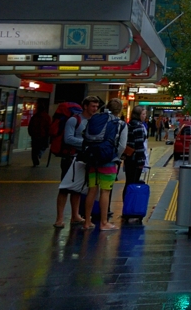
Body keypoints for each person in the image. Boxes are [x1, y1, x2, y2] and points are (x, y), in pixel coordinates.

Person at [54, 96, 100, 228]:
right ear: (85, 106)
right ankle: (59, 218)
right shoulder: (74, 120)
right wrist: (86, 143)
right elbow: (68, 138)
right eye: (92, 106)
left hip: (82, 158)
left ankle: (75, 215)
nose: (95, 109)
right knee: (64, 188)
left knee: (77, 188)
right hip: (70, 157)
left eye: (96, 107)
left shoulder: (93, 121)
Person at [82, 98, 128, 230]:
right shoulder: (120, 123)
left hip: (92, 158)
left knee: (92, 190)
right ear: (119, 110)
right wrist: (116, 157)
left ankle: (87, 221)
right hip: (108, 160)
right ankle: (103, 223)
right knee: (105, 192)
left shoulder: (96, 118)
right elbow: (122, 145)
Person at [123, 106, 148, 188]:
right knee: (134, 183)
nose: (145, 116)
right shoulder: (138, 126)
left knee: (128, 182)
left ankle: (126, 200)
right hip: (136, 159)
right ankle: (131, 200)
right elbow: (139, 145)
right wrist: (141, 161)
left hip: (128, 156)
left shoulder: (128, 124)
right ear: (138, 115)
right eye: (143, 114)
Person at [28, 101, 52, 167]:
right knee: (43, 146)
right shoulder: (47, 117)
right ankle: (39, 155)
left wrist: (31, 133)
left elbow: (30, 126)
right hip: (43, 135)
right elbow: (48, 126)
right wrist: (48, 134)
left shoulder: (35, 117)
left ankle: (35, 161)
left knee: (34, 149)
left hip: (35, 135)